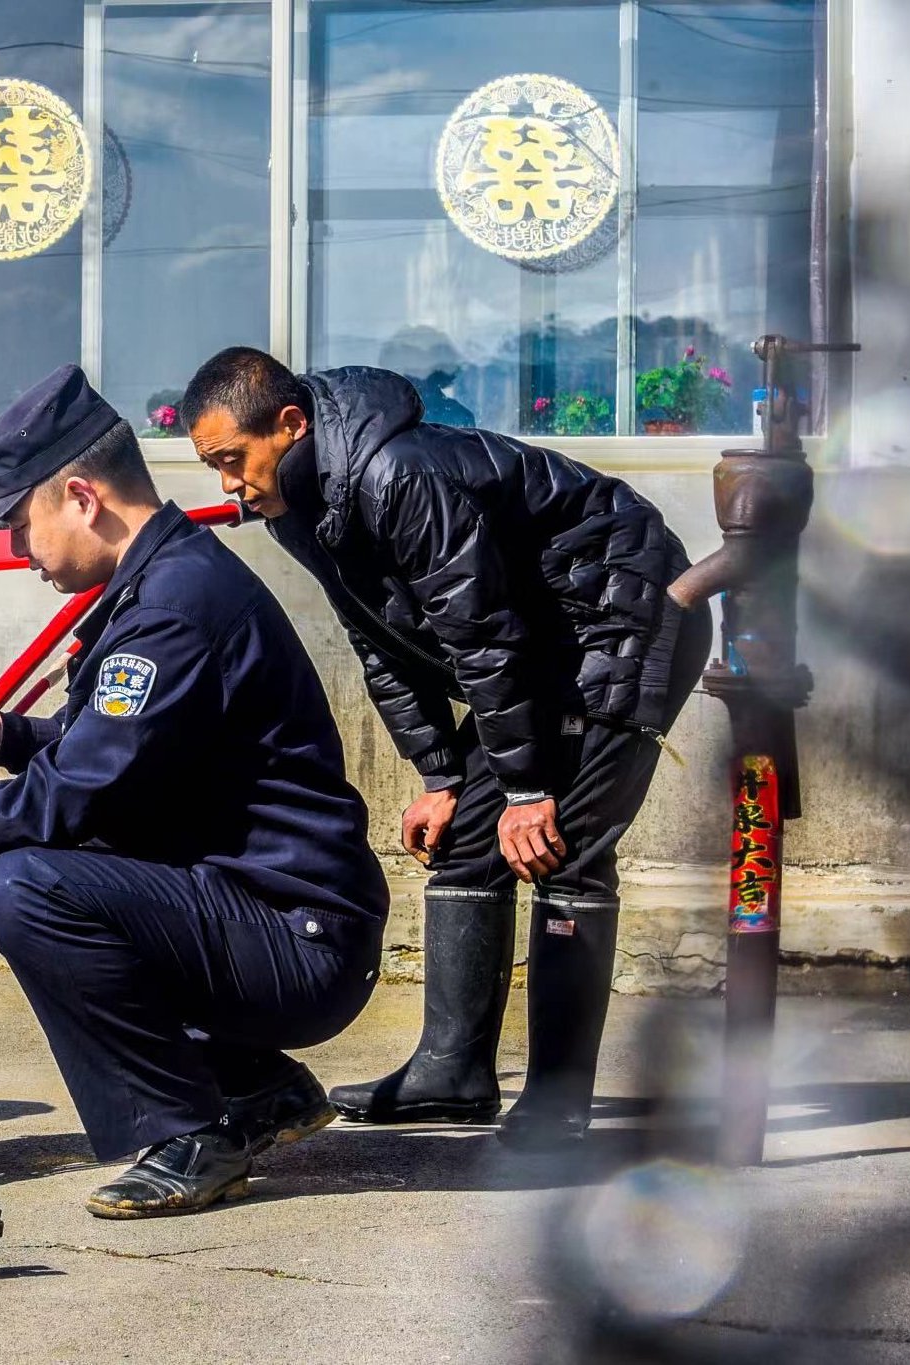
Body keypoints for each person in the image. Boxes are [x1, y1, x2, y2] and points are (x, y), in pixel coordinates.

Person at [0, 364, 390, 1217]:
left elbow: (69, 799)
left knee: (31, 888)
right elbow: (118, 752)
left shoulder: (172, 608)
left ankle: (187, 1132)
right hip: (278, 917)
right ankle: (260, 1090)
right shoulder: (165, 582)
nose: (17, 549)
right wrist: (3, 734)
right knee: (72, 864)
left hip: (296, 939)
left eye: (20, 524)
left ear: (80, 496)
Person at [179, 347, 711, 1149]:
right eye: (213, 465)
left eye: (231, 459)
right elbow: (377, 638)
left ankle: (559, 1099)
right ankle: (451, 1073)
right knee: (466, 841)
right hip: (540, 645)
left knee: (558, 847)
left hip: (622, 618)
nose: (227, 483)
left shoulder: (401, 473)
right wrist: (439, 772)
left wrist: (527, 789)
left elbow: (483, 634)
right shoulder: (297, 501)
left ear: (289, 426)